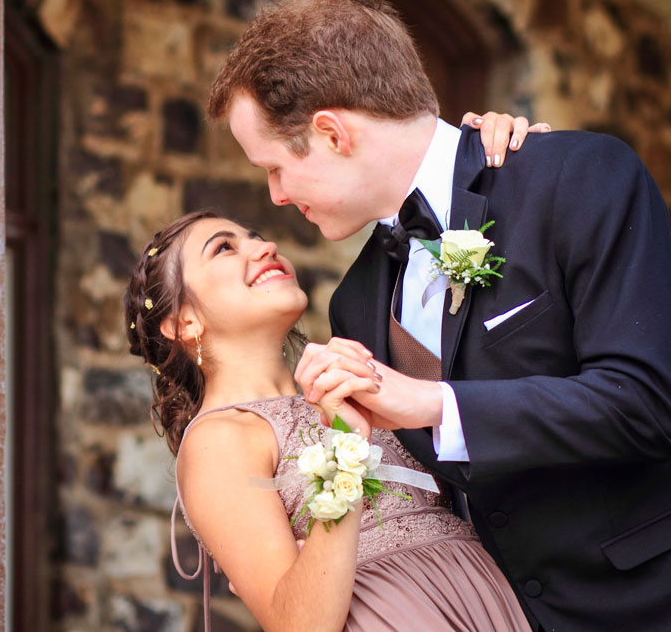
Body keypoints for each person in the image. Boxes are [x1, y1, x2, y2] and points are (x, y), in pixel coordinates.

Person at [206, 0, 671, 632]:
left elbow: (647, 401)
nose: (276, 196)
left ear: (333, 132)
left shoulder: (577, 176)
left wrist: (431, 403)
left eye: (276, 167)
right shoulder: (356, 302)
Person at [124, 209, 535, 631]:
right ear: (184, 322)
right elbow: (299, 624)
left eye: (255, 236)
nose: (265, 247)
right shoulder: (217, 441)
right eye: (225, 248)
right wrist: (345, 446)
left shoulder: (351, 390)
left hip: (486, 602)